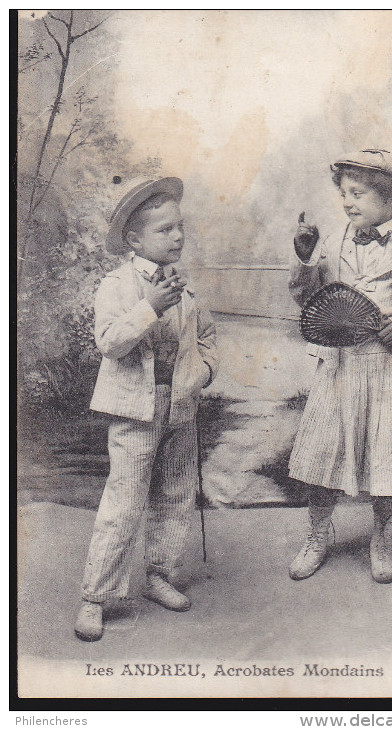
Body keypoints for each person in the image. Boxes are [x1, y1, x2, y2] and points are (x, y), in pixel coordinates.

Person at [287, 149, 392, 584]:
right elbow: (307, 300)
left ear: (389, 198)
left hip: (388, 370)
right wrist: (306, 257)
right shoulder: (332, 245)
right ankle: (318, 531)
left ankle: (381, 535)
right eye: (344, 193)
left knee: (387, 460)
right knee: (322, 456)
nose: (348, 202)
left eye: (358, 193)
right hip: (340, 367)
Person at [74, 176, 219, 641]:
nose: (178, 237)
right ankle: (96, 597)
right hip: (134, 411)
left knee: (175, 496)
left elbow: (208, 341)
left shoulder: (188, 291)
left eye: (181, 228)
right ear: (134, 239)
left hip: (180, 409)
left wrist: (204, 373)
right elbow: (110, 343)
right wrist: (150, 307)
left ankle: (159, 575)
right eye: (165, 230)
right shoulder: (116, 286)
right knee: (123, 503)